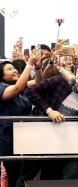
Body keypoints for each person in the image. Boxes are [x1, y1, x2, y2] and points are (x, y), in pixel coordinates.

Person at [0, 55, 39, 187]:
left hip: (25, 139)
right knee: (10, 177)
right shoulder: (2, 87)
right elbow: (18, 88)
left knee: (24, 173)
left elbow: (38, 81)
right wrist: (29, 64)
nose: (15, 70)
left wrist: (37, 67)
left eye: (14, 68)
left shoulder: (18, 85)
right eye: (10, 69)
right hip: (8, 140)